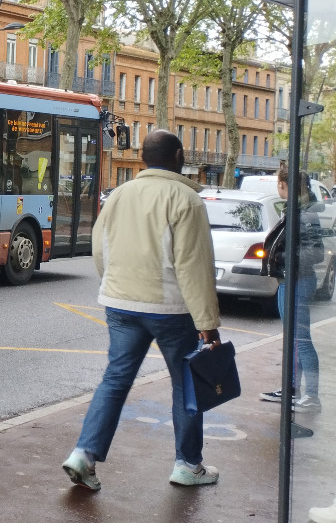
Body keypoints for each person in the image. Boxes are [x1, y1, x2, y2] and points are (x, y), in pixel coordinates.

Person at [61, 129, 221, 491]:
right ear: (178, 156)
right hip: (171, 308)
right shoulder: (185, 199)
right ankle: (187, 464)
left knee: (115, 380)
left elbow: (100, 248)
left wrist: (115, 284)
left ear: (144, 158)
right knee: (187, 385)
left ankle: (84, 455)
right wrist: (207, 322)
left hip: (121, 303)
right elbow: (194, 266)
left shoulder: (120, 194)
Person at [260, 165, 324, 412]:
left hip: (296, 281)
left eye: (279, 183)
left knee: (301, 340)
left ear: (284, 186)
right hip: (290, 281)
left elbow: (314, 253)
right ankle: (291, 390)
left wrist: (284, 259)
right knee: (295, 340)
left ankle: (311, 396)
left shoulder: (303, 214)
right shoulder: (297, 210)